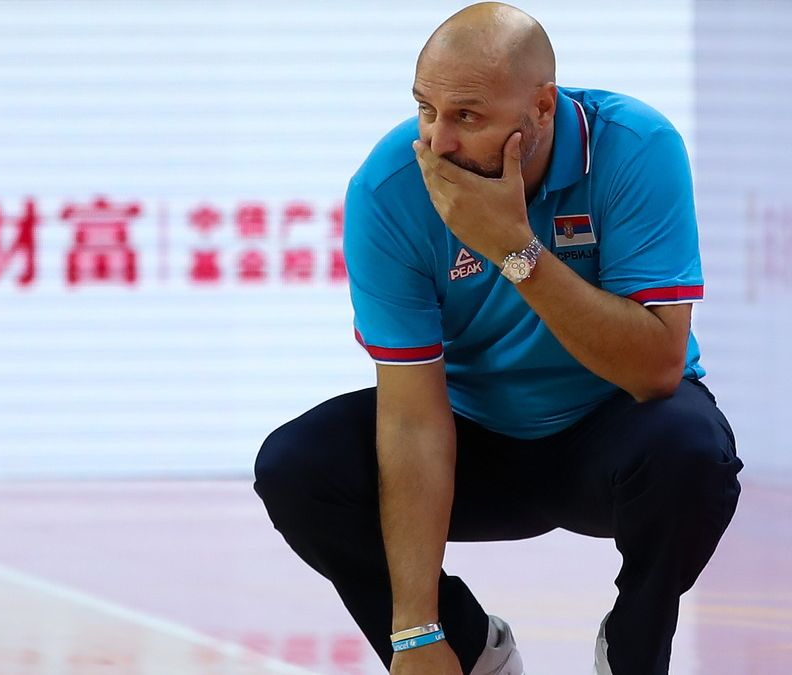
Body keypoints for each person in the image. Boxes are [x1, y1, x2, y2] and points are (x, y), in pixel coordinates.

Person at [251, 3, 744, 674]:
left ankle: (632, 649)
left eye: (468, 116)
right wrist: (414, 633)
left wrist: (514, 250)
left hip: (610, 435)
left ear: (541, 109)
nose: (439, 141)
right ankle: (467, 647)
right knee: (297, 466)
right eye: (427, 108)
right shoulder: (391, 187)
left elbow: (657, 369)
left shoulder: (635, 147)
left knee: (693, 449)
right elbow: (411, 419)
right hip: (469, 442)